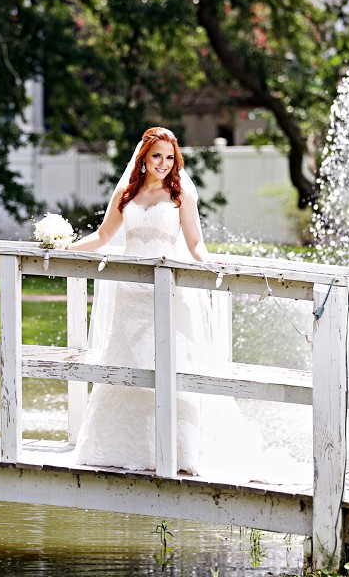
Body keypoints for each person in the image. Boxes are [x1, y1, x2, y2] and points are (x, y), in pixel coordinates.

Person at [68, 127, 248, 475]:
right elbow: (103, 236)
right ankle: (117, 448)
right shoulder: (126, 193)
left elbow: (195, 243)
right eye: (156, 156)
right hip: (131, 292)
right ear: (144, 158)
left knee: (174, 363)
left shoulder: (181, 196)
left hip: (169, 291)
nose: (163, 164)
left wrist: (207, 261)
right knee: (127, 360)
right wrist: (64, 246)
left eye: (169, 157)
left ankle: (179, 451)